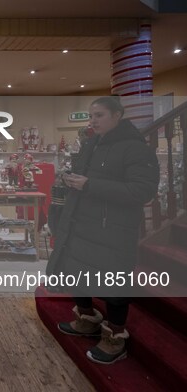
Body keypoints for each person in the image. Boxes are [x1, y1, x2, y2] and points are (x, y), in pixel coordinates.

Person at [46, 96, 159, 365]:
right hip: (81, 224)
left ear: (118, 115)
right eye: (91, 115)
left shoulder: (135, 149)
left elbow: (141, 191)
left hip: (112, 231)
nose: (93, 120)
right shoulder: (90, 144)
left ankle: (114, 338)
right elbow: (84, 178)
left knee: (114, 284)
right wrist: (70, 180)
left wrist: (88, 185)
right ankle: (85, 319)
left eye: (99, 115)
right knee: (77, 273)